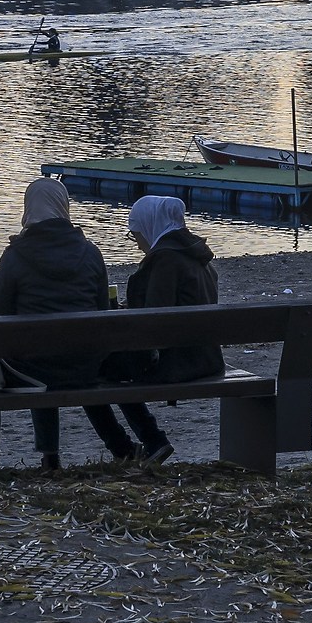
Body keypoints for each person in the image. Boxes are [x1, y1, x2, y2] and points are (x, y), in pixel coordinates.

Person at [0, 178, 140, 472]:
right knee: (54, 351)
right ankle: (65, 456)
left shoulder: (14, 256)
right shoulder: (91, 253)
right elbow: (103, 313)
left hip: (33, 369)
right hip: (85, 366)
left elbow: (0, 318)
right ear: (64, 207)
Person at [98, 196, 229, 464]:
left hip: (178, 362)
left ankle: (145, 442)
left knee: (91, 372)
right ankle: (149, 440)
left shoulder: (165, 261)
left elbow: (152, 324)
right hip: (206, 357)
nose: (138, 243)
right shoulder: (197, 256)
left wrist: (123, 316)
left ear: (149, 226)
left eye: (136, 236)